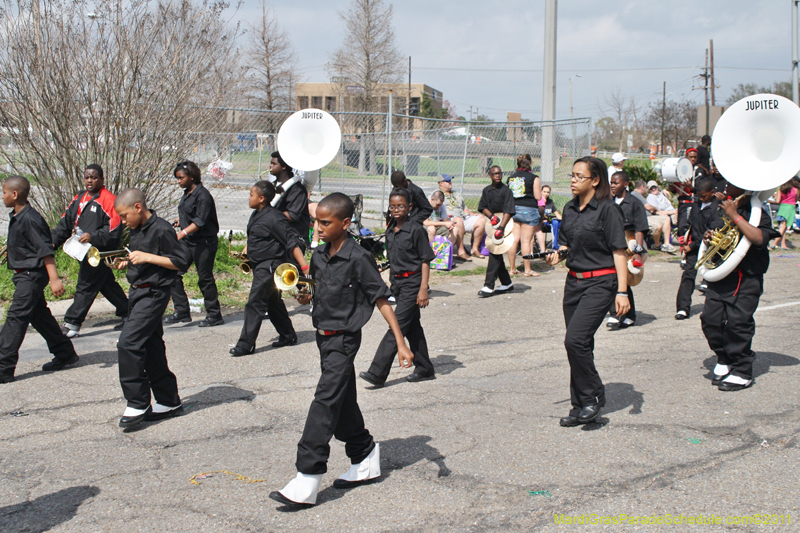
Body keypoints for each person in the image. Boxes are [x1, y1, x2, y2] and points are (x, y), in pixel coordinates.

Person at [269, 193, 413, 507]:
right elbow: (313, 287)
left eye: (325, 222)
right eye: (316, 222)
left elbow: (381, 299)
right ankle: (364, 454)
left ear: (345, 223)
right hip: (323, 338)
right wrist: (303, 294)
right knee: (342, 399)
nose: (318, 228)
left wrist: (400, 342)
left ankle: (307, 475)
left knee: (324, 401)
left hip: (344, 340)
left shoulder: (359, 258)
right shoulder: (319, 256)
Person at [545, 157, 629, 426]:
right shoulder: (569, 209)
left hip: (601, 283)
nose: (572, 180)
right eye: (572, 175)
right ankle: (579, 404)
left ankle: (593, 396)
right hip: (574, 283)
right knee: (580, 345)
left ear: (595, 180)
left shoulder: (607, 210)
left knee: (575, 340)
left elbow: (619, 251)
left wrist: (623, 292)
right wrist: (557, 255)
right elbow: (568, 245)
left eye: (579, 176)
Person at [114, 188, 190, 429]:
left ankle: (137, 402)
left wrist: (146, 257)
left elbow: (180, 261)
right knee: (151, 345)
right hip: (137, 292)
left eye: (124, 215)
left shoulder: (162, 228)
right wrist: (127, 261)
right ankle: (169, 400)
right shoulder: (136, 229)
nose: (123, 221)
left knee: (129, 343)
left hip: (154, 293)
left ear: (138, 207)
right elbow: (143, 256)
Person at [701, 183, 780, 391]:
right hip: (721, 275)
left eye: (733, 184)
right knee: (710, 320)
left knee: (738, 323)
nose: (727, 187)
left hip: (747, 276)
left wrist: (735, 215)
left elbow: (759, 238)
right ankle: (725, 357)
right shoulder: (718, 209)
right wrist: (710, 239)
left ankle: (743, 370)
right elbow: (715, 236)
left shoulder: (756, 210)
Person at [0, 176, 79, 383]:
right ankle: (65, 353)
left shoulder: (31, 219)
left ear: (14, 194)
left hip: (31, 276)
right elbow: (29, 245)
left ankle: (3, 367)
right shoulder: (19, 216)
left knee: (15, 319)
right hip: (25, 274)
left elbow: (46, 250)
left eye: (4, 192)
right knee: (39, 316)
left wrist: (55, 279)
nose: (2, 196)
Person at [361, 188, 435, 387]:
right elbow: (395, 257)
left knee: (397, 327)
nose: (396, 210)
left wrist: (423, 289)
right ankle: (425, 367)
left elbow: (425, 260)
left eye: (400, 206)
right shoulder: (391, 229)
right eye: (392, 206)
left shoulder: (416, 229)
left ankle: (377, 372)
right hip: (398, 284)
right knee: (412, 327)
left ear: (409, 207)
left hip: (413, 284)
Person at [229, 181, 308, 356]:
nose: (248, 198)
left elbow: (291, 241)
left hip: (270, 267)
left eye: (251, 195)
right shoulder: (257, 214)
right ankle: (288, 335)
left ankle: (246, 344)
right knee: (272, 302)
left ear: (262, 198)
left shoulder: (274, 217)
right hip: (259, 266)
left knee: (255, 303)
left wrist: (304, 268)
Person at [51, 164, 129, 338]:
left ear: (102, 179)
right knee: (106, 284)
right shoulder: (80, 197)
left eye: (94, 177)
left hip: (99, 251)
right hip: (83, 251)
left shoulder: (109, 200)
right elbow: (65, 223)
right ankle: (128, 311)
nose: (89, 180)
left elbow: (113, 232)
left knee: (85, 285)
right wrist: (52, 243)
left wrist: (93, 236)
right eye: (87, 177)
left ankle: (72, 323)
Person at [165, 161, 223, 327]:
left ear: (192, 176)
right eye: (177, 178)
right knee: (174, 272)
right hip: (189, 242)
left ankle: (214, 314)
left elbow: (200, 221)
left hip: (204, 243)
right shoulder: (188, 193)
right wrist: (180, 221)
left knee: (204, 278)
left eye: (181, 178)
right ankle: (182, 311)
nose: (179, 181)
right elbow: (190, 215)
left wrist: (181, 234)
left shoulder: (203, 195)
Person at [675, 179, 721, 320]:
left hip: (710, 248)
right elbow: (691, 224)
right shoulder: (696, 204)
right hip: (694, 246)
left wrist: (692, 245)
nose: (701, 199)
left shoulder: (718, 208)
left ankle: (715, 309)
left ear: (712, 193)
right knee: (688, 275)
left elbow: (712, 229)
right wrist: (685, 239)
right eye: (699, 196)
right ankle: (682, 308)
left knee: (713, 279)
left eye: (704, 196)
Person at [607, 171, 648, 328]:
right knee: (615, 278)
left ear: (625, 184)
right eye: (611, 182)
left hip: (628, 244)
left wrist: (637, 252)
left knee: (622, 279)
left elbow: (640, 228)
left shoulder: (634, 203)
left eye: (616, 183)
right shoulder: (609, 201)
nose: (612, 185)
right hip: (611, 243)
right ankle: (627, 314)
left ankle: (617, 314)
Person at [478, 166, 515, 298]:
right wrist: (491, 217)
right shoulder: (486, 190)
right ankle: (506, 283)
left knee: (494, 252)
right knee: (496, 253)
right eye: (494, 174)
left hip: (505, 225)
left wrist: (501, 228)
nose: (497, 176)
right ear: (490, 175)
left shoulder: (507, 191)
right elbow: (482, 207)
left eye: (499, 173)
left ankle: (488, 285)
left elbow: (509, 211)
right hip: (492, 224)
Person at [506, 155, 542, 276]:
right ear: (530, 163)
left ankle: (512, 269)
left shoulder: (510, 178)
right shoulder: (534, 178)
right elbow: (538, 197)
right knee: (526, 241)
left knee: (514, 240)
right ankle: (527, 270)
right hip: (528, 210)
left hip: (513, 210)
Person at [438, 174, 486, 259]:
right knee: (458, 220)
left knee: (481, 220)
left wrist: (473, 214)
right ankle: (461, 251)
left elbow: (465, 209)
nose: (450, 182)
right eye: (448, 181)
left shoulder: (456, 193)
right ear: (441, 183)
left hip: (463, 217)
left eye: (450, 181)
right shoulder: (437, 194)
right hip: (449, 219)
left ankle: (474, 249)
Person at [272, 151, 311, 249]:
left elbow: (292, 215)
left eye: (274, 164)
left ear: (284, 167)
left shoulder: (297, 189)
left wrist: (268, 214)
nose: (270, 166)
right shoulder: (272, 185)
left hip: (293, 238)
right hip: (277, 235)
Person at [632, 180, 676, 253]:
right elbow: (648, 207)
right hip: (644, 218)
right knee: (658, 226)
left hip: (650, 217)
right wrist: (656, 209)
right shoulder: (635, 194)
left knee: (666, 219)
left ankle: (666, 244)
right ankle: (657, 245)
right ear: (643, 187)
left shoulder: (638, 195)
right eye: (647, 188)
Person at [769, 179, 799, 250]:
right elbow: (796, 200)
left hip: (782, 207)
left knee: (783, 227)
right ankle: (774, 244)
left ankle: (783, 244)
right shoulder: (795, 190)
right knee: (783, 227)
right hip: (790, 208)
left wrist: (775, 195)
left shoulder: (780, 190)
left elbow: (778, 201)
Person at [536, 184, 561, 250]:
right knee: (555, 223)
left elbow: (556, 213)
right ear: (541, 191)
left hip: (549, 222)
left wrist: (563, 220)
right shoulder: (538, 202)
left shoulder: (550, 202)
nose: (546, 194)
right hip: (540, 223)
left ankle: (561, 245)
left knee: (560, 223)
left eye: (548, 192)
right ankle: (555, 246)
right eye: (544, 192)